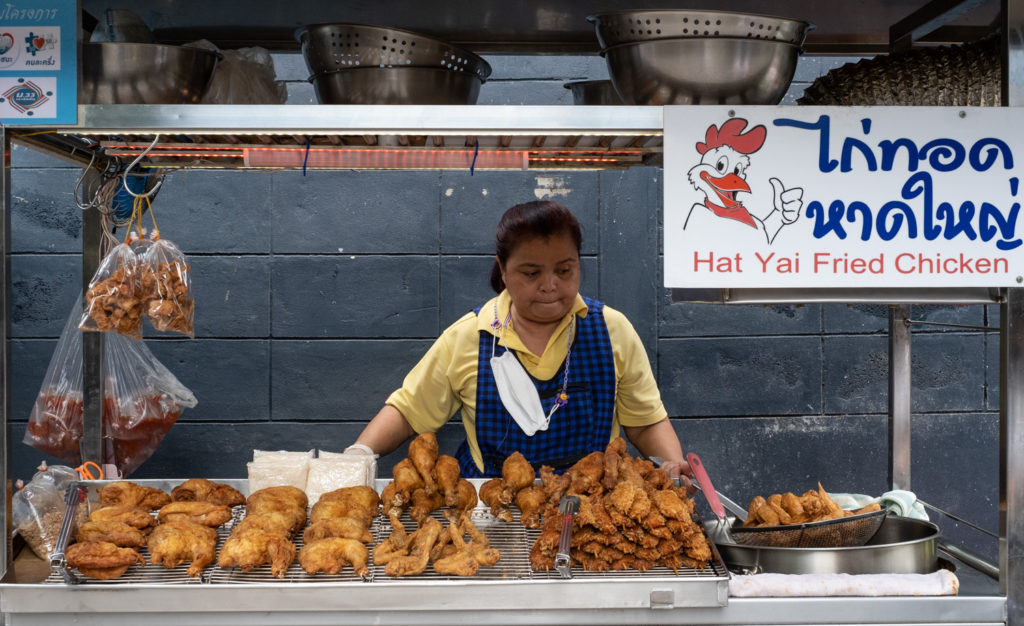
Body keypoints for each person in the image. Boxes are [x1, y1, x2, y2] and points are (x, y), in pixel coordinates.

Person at [346, 200, 689, 479]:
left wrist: (672, 466)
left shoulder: (612, 331)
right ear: (504, 269)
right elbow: (408, 412)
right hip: (494, 509)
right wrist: (359, 454)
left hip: (592, 503)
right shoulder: (470, 335)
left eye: (564, 270)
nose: (550, 284)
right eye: (531, 273)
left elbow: (644, 423)